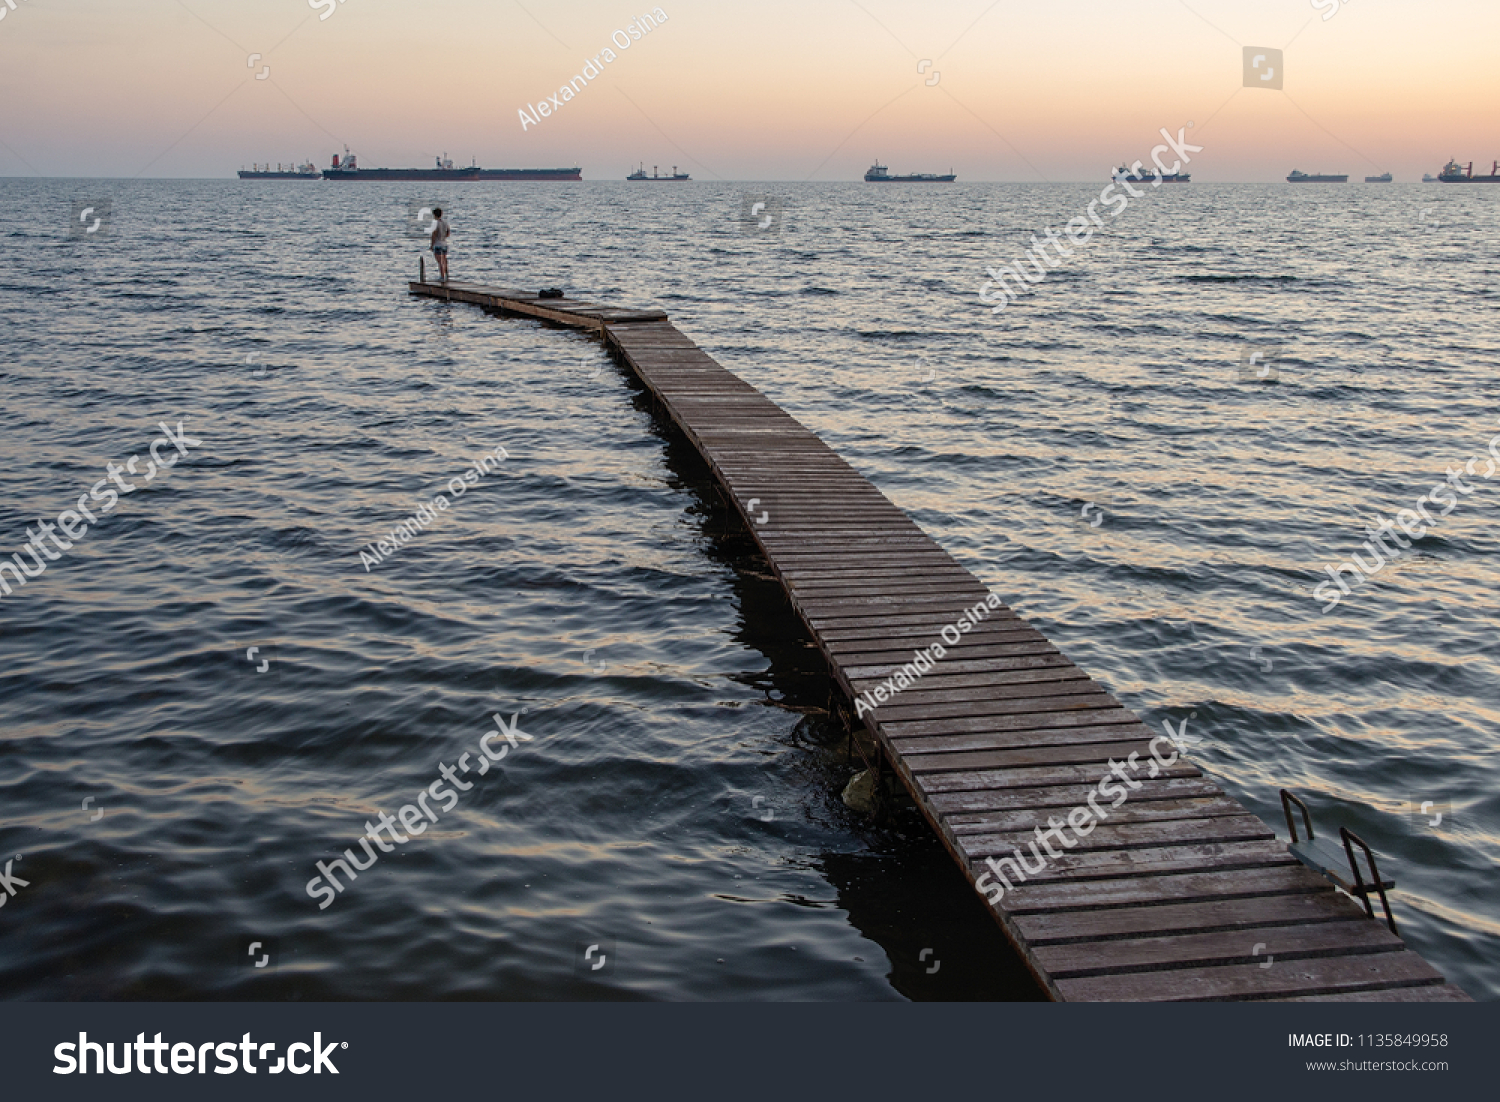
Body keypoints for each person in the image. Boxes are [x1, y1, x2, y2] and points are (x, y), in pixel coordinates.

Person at [430, 207, 451, 282]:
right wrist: (443, 236)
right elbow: (448, 233)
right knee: (445, 261)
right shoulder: (445, 222)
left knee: (440, 262)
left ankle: (442, 277)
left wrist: (431, 245)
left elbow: (434, 235)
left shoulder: (435, 223)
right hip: (445, 243)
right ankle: (446, 275)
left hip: (438, 244)